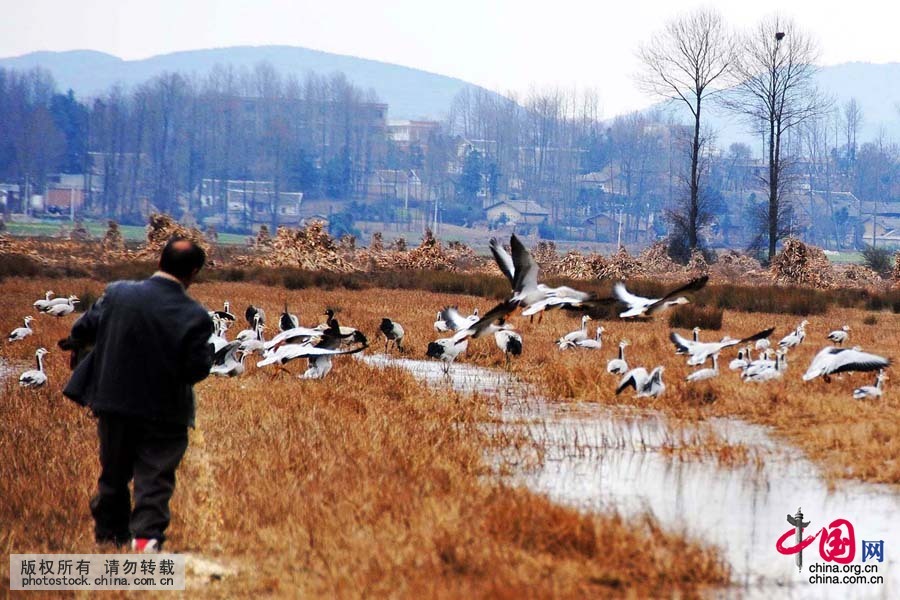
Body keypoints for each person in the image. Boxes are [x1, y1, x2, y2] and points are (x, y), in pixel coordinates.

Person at [63, 237, 214, 552]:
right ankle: (145, 539)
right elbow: (195, 370)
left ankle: (109, 537)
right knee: (154, 477)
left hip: (114, 404)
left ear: (159, 262)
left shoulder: (119, 294)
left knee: (114, 473)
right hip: (165, 412)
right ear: (194, 272)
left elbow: (81, 330)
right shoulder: (194, 315)